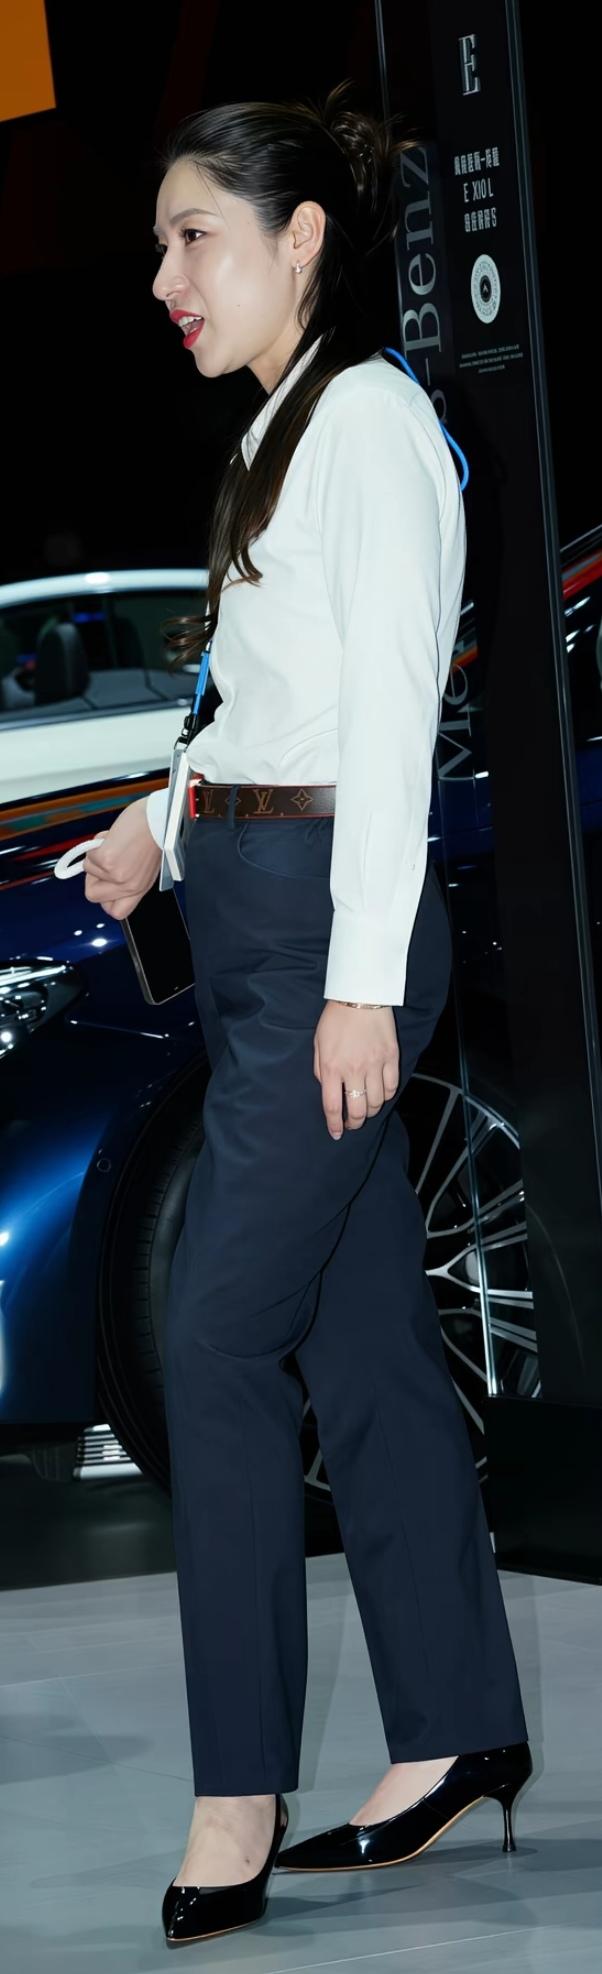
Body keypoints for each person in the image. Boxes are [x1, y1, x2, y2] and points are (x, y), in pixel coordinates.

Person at [83, 83, 531, 1950]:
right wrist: (162, 813)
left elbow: (386, 727)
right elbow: (273, 708)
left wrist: (359, 987)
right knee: (362, 1350)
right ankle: (456, 1728)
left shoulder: (373, 427)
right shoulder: (283, 428)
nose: (166, 278)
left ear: (302, 239)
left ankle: (237, 1785)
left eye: (195, 237)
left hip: (332, 941)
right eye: (161, 244)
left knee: (212, 1339)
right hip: (263, 921)